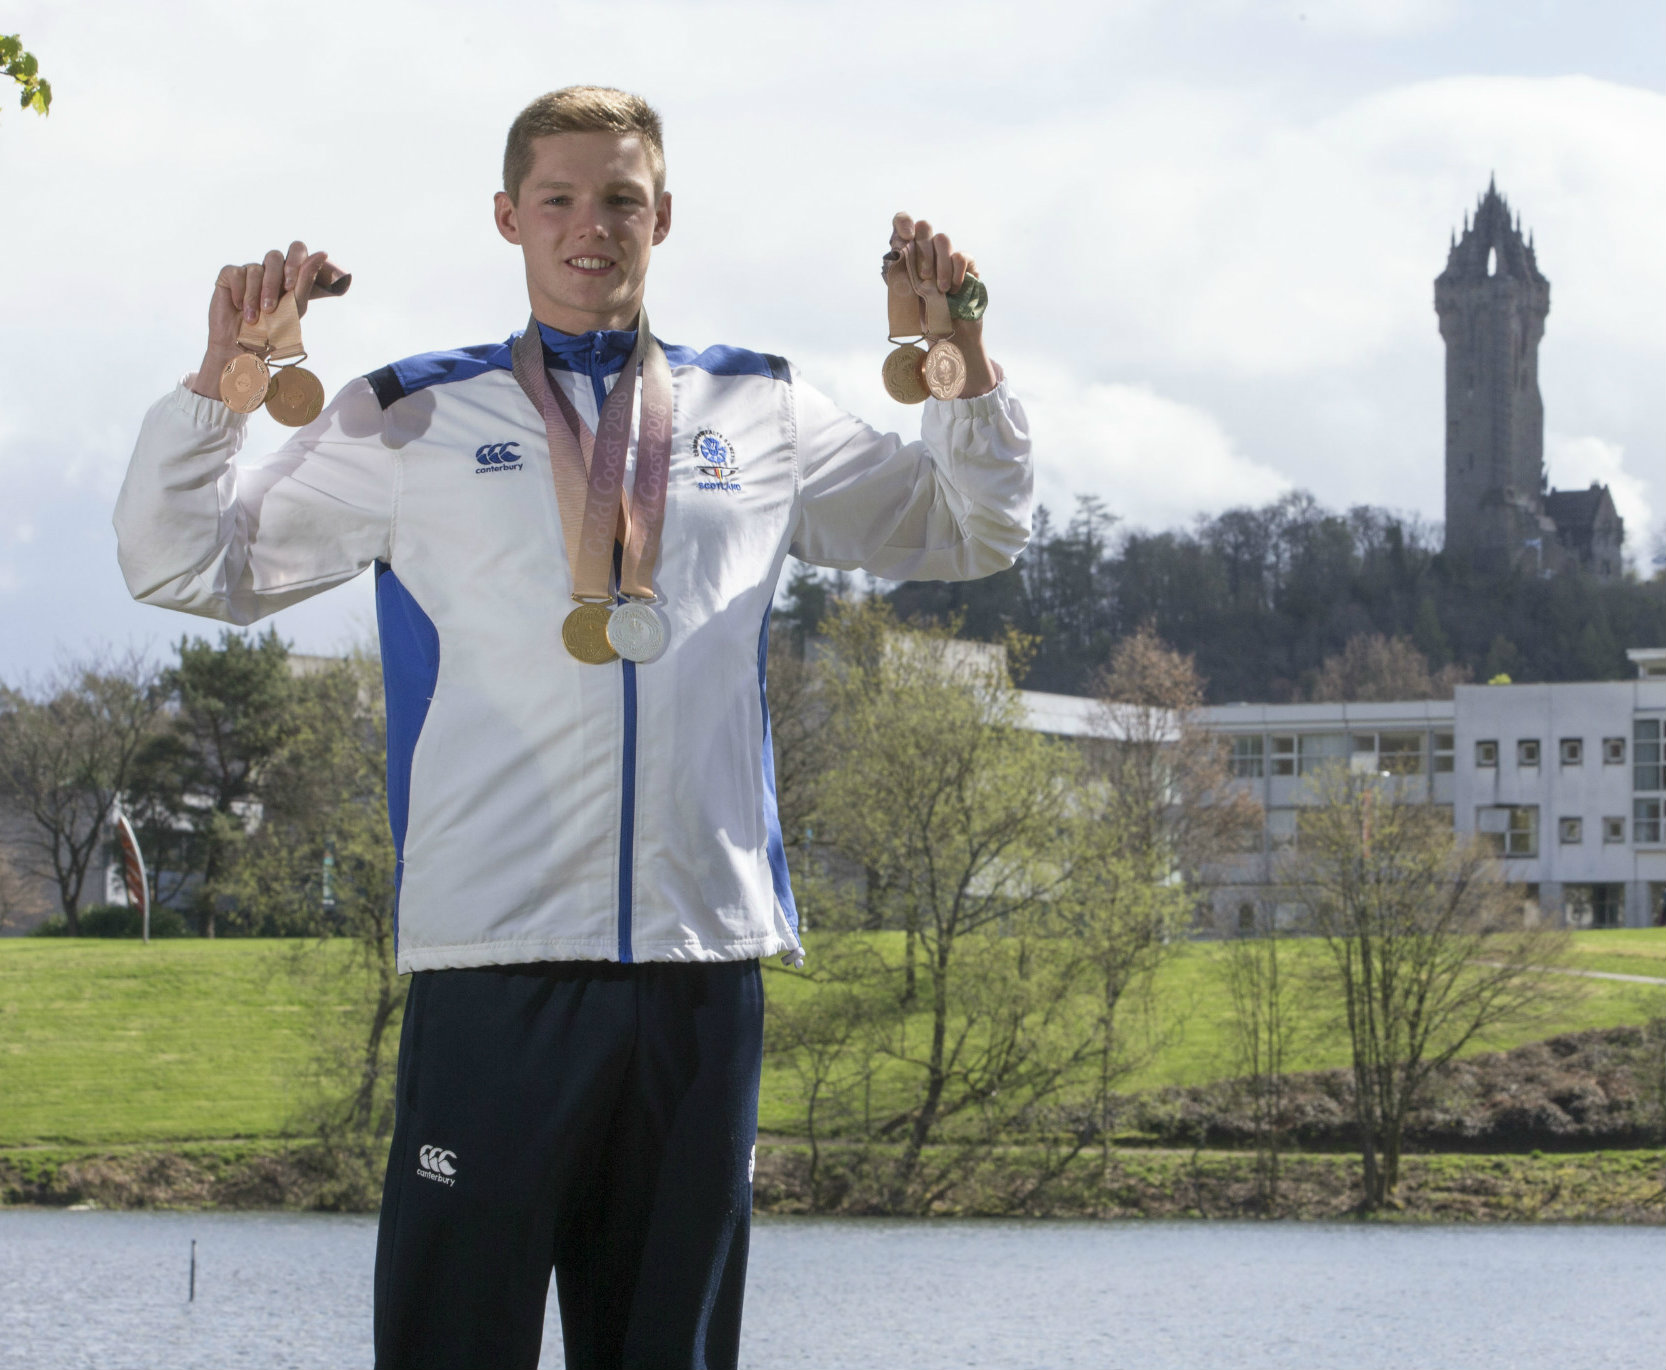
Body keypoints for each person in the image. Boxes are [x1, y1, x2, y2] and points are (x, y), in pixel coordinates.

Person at [113, 85, 1032, 1370]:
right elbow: (181, 565)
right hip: (492, 965)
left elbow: (969, 526)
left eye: (621, 199)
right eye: (559, 198)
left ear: (664, 218)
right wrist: (226, 380)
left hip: (701, 970)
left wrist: (962, 369)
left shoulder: (755, 408)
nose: (589, 226)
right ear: (508, 215)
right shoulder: (406, 415)